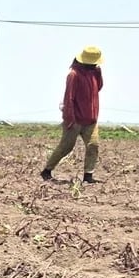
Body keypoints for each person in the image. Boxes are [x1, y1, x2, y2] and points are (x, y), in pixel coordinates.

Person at [41, 46, 104, 184]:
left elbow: (98, 87)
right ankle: (47, 170)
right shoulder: (74, 75)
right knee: (66, 147)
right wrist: (70, 119)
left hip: (91, 120)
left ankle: (88, 176)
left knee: (93, 145)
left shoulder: (94, 73)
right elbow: (68, 98)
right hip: (75, 120)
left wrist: (98, 72)